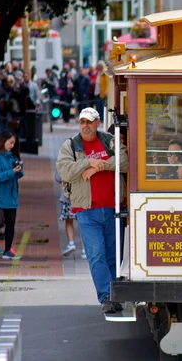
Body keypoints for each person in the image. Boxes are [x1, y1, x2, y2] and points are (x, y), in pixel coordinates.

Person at [56, 107, 128, 314]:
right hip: (86, 210)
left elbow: (124, 162)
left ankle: (116, 295)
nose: (85, 126)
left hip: (114, 208)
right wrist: (87, 161)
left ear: (97, 122)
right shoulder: (70, 145)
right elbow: (65, 172)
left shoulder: (109, 140)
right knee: (96, 255)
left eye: (89, 122)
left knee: (114, 255)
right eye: (82, 122)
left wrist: (99, 166)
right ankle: (106, 296)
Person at [0, 130, 24, 260]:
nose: (12, 146)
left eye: (14, 143)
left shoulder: (12, 156)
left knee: (11, 222)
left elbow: (18, 175)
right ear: (3, 141)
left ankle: (8, 249)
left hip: (11, 195)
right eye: (10, 142)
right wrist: (12, 172)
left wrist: (18, 169)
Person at [55, 168, 86, 260]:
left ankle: (71, 243)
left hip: (68, 196)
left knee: (69, 221)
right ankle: (84, 249)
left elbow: (58, 177)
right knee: (83, 223)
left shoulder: (65, 160)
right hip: (82, 197)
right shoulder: (83, 159)